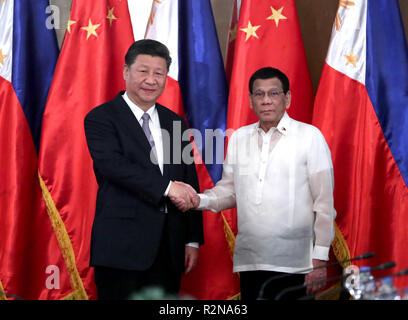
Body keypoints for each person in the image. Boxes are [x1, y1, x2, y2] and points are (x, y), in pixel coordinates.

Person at [176, 67, 336, 300]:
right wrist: (198, 200)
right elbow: (230, 191)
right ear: (251, 100)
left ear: (287, 98)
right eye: (259, 94)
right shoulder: (239, 138)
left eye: (273, 93)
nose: (266, 101)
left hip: (296, 264)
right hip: (250, 260)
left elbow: (324, 204)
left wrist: (320, 257)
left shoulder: (310, 137)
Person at [84, 39, 204, 300]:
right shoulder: (101, 118)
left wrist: (191, 239)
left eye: (159, 73)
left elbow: (187, 178)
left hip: (170, 248)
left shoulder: (175, 122)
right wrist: (168, 188)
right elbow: (113, 166)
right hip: (121, 248)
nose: (151, 80)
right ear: (126, 72)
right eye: (143, 71)